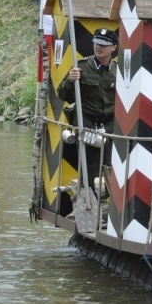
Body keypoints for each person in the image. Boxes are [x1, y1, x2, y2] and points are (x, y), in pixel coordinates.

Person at [57, 28, 119, 193]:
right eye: (97, 43)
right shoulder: (81, 67)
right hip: (87, 124)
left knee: (111, 165)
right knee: (88, 166)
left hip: (110, 127)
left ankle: (109, 205)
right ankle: (88, 202)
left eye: (104, 45)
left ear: (113, 47)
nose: (99, 47)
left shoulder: (118, 72)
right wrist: (70, 80)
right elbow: (62, 94)